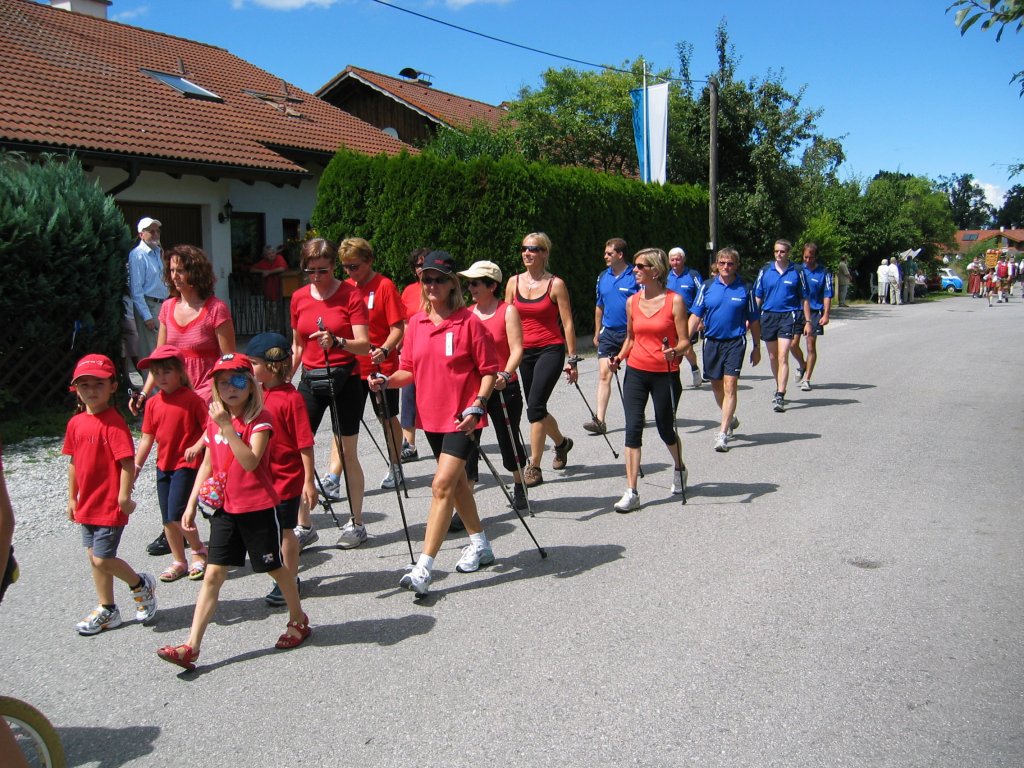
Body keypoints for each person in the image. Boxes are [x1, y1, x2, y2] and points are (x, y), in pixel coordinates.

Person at [157, 353, 311, 671]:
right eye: (223, 382)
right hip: (225, 510)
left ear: (252, 385)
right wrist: (189, 505)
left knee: (274, 568)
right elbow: (211, 462)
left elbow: (251, 461)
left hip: (257, 509)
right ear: (215, 387)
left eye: (238, 379)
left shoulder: (260, 420)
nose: (230, 388)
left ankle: (298, 618)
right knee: (213, 575)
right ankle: (191, 646)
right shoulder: (216, 419)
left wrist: (228, 429)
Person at [369, 251, 499, 597]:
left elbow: (489, 371)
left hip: (464, 419)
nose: (432, 285)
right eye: (426, 279)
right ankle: (481, 544)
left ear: (452, 284)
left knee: (441, 485)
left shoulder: (469, 323)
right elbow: (408, 369)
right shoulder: (416, 324)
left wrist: (478, 404)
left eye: (439, 279)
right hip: (433, 418)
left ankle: (424, 567)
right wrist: (385, 381)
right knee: (456, 488)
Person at [132, 244, 236, 558]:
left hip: (206, 398)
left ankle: (224, 525)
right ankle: (174, 528)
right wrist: (144, 391)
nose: (176, 276)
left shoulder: (215, 309)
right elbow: (158, 358)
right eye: (173, 270)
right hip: (173, 399)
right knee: (175, 465)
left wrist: (227, 401)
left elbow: (229, 359)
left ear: (197, 272)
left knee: (210, 466)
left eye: (182, 270)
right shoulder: (166, 308)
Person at [64, 354, 157, 635]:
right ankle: (107, 608)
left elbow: (127, 464)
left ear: (113, 386)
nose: (91, 390)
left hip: (109, 504)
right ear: (76, 389)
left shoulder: (114, 423)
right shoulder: (76, 423)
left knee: (103, 558)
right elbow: (73, 463)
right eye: (85, 385)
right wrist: (72, 497)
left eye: (98, 384)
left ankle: (140, 584)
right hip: (88, 503)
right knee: (94, 558)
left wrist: (124, 496)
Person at [289, 238, 371, 549]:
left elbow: (364, 344)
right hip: (310, 379)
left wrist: (337, 341)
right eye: (310, 271)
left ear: (333, 266)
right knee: (295, 450)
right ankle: (304, 523)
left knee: (347, 451)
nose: (317, 277)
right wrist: (284, 376)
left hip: (345, 378)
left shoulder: (351, 295)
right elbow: (297, 344)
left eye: (322, 270)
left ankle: (357, 522)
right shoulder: (298, 298)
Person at [607, 248, 689, 512]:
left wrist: (674, 351)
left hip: (665, 374)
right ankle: (632, 491)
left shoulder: (674, 301)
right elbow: (631, 338)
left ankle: (679, 467)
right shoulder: (632, 302)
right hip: (637, 371)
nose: (635, 270)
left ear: (655, 270)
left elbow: (685, 340)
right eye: (635, 266)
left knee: (665, 428)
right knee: (633, 428)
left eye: (640, 266)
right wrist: (619, 358)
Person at [246, 333, 318, 606]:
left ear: (272, 365)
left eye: (254, 363)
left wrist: (308, 481)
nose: (250, 369)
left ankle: (290, 579)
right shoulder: (254, 395)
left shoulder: (292, 399)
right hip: (263, 476)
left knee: (286, 530)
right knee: (270, 530)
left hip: (287, 477)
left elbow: (305, 443)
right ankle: (280, 575)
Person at [505, 232, 578, 487]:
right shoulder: (513, 283)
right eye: (524, 248)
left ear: (544, 253)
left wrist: (573, 359)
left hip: (550, 349)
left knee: (534, 407)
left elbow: (567, 323)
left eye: (533, 249)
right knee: (538, 408)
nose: (527, 253)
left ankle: (533, 466)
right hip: (523, 352)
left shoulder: (555, 284)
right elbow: (504, 320)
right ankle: (561, 443)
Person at [132, 345, 208, 583]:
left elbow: (211, 428)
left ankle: (198, 551)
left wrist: (197, 446)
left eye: (166, 371)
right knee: (167, 518)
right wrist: (135, 468)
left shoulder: (192, 400)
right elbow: (147, 438)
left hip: (185, 465)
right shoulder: (153, 403)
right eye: (156, 373)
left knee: (177, 514)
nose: (161, 377)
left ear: (180, 373)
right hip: (163, 465)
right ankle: (179, 561)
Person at [460, 260, 529, 511]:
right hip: (476, 391)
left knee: (507, 440)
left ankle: (520, 484)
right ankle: (466, 503)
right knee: (468, 445)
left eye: (475, 283)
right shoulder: (467, 314)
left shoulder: (507, 311)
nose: (470, 287)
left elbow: (517, 348)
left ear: (492, 285)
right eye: (469, 283)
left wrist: (505, 373)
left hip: (503, 387)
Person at [341, 237, 406, 491]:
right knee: (345, 423)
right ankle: (335, 476)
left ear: (369, 261)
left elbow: (397, 328)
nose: (349, 272)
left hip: (381, 366)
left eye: (354, 266)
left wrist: (385, 349)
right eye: (345, 267)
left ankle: (396, 464)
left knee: (386, 418)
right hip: (352, 368)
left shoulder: (384, 286)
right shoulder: (345, 288)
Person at [687, 248, 762, 452]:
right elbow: (695, 315)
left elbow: (754, 320)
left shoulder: (745, 288)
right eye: (722, 263)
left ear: (736, 265)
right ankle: (730, 417)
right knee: (716, 386)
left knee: (730, 386)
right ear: (717, 265)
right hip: (711, 341)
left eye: (730, 263)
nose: (726, 267)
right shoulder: (707, 286)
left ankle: (722, 433)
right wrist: (684, 340)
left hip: (735, 342)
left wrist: (757, 346)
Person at [584, 238, 637, 435]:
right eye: (605, 253)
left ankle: (634, 416)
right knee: (604, 374)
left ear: (620, 255)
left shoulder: (634, 276)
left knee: (633, 377)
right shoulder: (602, 277)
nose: (605, 256)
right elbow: (599, 305)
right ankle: (600, 420)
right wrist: (597, 330)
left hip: (630, 334)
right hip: (609, 333)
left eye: (609, 253)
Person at [753, 239, 810, 413]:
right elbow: (758, 296)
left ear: (788, 253)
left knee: (783, 354)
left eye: (782, 252)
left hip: (788, 316)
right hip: (768, 316)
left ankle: (780, 393)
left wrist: (808, 321)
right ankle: (779, 383)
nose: (779, 254)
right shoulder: (765, 271)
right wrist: (752, 317)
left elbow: (804, 297)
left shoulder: (797, 271)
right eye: (776, 251)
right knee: (772, 356)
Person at [399, 248, 430, 464]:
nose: (421, 268)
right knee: (408, 395)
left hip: (434, 351)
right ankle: (409, 444)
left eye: (425, 263)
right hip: (411, 350)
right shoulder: (408, 291)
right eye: (418, 265)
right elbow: (403, 323)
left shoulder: (441, 287)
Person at [789, 243, 832, 391]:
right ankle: (802, 364)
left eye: (810, 257)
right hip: (797, 311)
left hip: (814, 311)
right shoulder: (797, 270)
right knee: (792, 344)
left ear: (816, 257)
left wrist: (826, 314)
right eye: (805, 257)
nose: (807, 260)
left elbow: (827, 295)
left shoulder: (824, 273)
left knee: (810, 345)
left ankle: (807, 379)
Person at [128, 217, 167, 360]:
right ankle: (149, 382)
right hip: (149, 305)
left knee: (163, 351)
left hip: (162, 305)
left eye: (158, 231)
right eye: (151, 231)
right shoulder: (138, 255)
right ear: (141, 234)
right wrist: (147, 316)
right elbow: (136, 290)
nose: (156, 234)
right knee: (150, 352)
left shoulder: (158, 252)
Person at [666, 246, 703, 387]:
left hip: (689, 316)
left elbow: (701, 295)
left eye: (678, 259)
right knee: (673, 347)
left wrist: (700, 318)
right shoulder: (666, 277)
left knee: (686, 348)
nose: (675, 262)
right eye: (672, 260)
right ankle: (674, 378)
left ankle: (694, 368)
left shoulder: (692, 275)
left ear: (684, 260)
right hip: (670, 317)